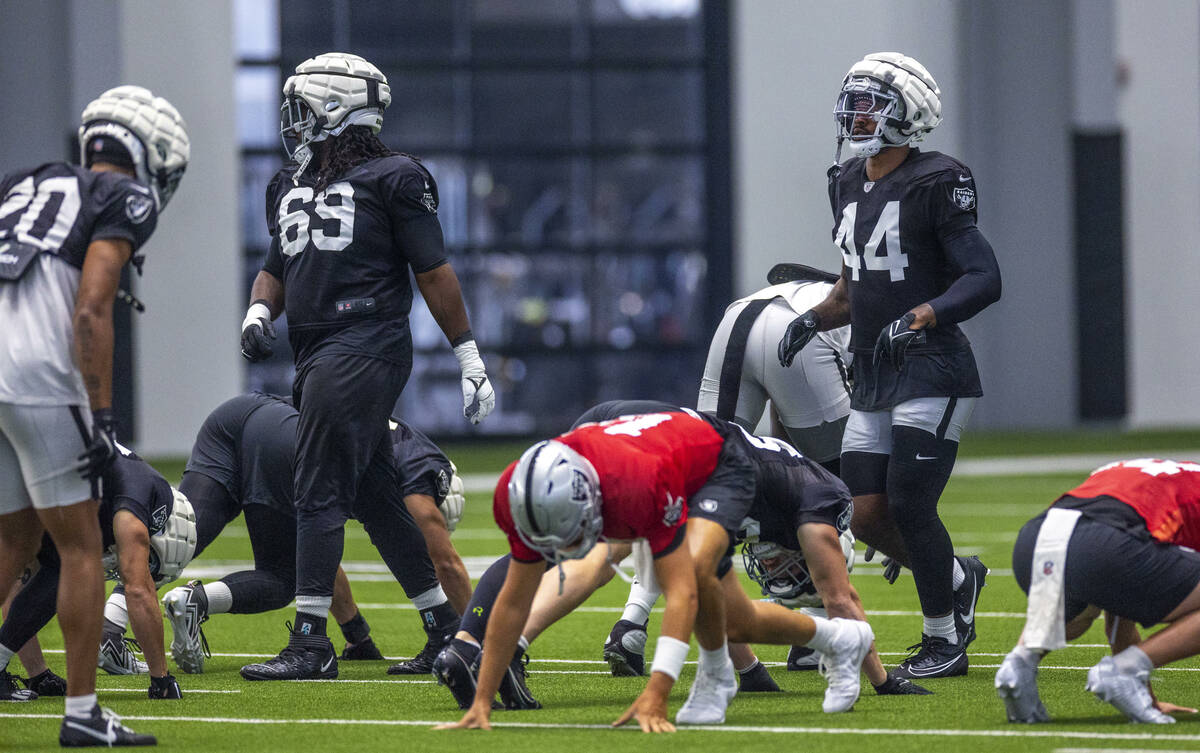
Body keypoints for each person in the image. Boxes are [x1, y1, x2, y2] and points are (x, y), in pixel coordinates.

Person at [237, 52, 494, 681]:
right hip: (319, 351)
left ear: (334, 107)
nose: (292, 119)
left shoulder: (397, 177)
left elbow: (433, 271)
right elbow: (276, 266)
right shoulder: (291, 182)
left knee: (317, 487)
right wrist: (257, 313)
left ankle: (310, 642)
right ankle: (441, 630)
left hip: (366, 342)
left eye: (303, 105)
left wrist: (467, 353)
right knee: (377, 496)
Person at [434, 407, 873, 734]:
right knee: (737, 619)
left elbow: (681, 593)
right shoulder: (518, 495)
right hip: (653, 456)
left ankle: (717, 677)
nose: (566, 549)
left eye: (571, 535)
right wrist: (482, 701)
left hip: (718, 462)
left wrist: (658, 690)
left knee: (695, 572)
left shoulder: (636, 487)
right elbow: (512, 601)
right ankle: (838, 638)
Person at [776, 51, 1001, 679]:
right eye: (853, 99)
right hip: (874, 369)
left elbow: (985, 276)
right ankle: (960, 580)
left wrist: (925, 314)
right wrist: (815, 318)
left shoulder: (939, 179)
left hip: (933, 366)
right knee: (865, 511)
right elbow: (854, 288)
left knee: (909, 500)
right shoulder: (845, 180)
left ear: (910, 112)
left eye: (872, 101)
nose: (857, 112)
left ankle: (943, 640)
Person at [0, 84, 187, 746]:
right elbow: (89, 307)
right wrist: (102, 415)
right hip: (39, 374)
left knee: (12, 542)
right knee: (79, 545)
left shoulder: (22, 182)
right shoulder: (123, 196)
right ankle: (83, 714)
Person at [608, 267, 853, 686]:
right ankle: (815, 631)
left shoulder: (839, 284)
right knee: (836, 497)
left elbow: (783, 435)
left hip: (737, 318)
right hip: (801, 331)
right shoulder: (881, 305)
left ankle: (631, 621)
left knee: (696, 486)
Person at [132, 392, 465, 676]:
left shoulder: (402, 445)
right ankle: (306, 641)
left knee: (179, 539)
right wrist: (473, 637)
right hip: (288, 439)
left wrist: (357, 635)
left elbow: (321, 551)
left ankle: (114, 622)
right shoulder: (417, 479)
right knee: (282, 572)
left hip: (241, 421)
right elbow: (445, 562)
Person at [997, 458, 1200, 724]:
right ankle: (1125, 672)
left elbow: (1121, 606)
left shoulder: (1160, 471)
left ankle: (1021, 662)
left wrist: (1145, 696)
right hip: (1103, 545)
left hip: (1034, 540)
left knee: (1079, 617)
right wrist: (1127, 670)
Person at [0, 446, 193, 705]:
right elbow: (137, 590)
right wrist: (161, 680)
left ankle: (34, 674)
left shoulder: (128, 486)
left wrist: (38, 676)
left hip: (29, 466)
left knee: (46, 564)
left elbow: (21, 585)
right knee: (60, 564)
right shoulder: (135, 502)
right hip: (25, 470)